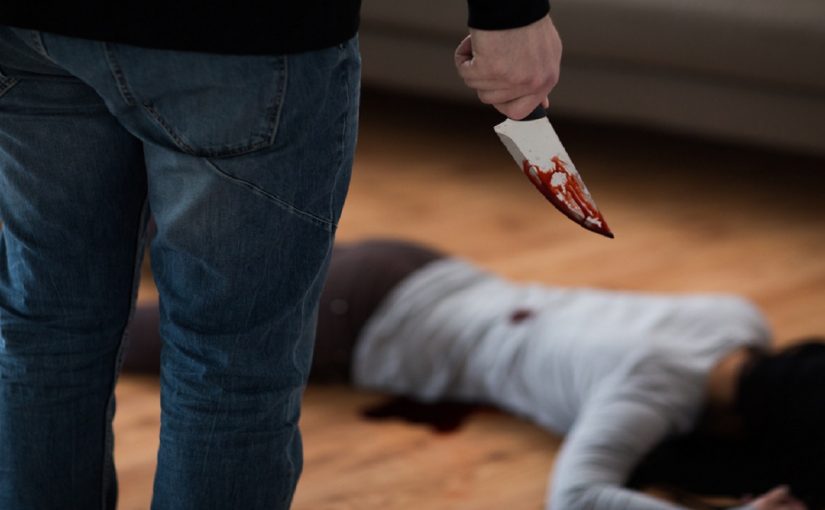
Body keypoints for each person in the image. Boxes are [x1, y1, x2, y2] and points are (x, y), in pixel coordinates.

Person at [0, 3, 562, 510]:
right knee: (228, 370)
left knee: (47, 331)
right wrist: (509, 14)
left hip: (30, 31)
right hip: (243, 38)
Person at [124, 239, 824, 510]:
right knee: (112, 331)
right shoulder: (643, 395)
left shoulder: (738, 317)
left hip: (417, 266)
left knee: (168, 236)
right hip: (356, 320)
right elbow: (576, 496)